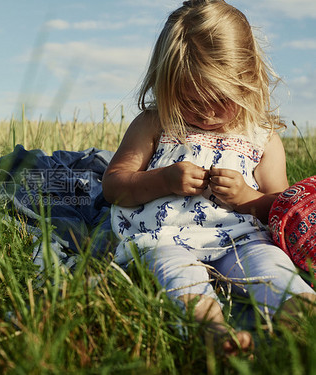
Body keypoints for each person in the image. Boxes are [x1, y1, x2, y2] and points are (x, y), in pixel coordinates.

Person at [101, 0, 316, 355]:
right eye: (189, 100)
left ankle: (298, 319)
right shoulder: (156, 124)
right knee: (178, 276)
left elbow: (281, 209)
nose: (206, 112)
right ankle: (213, 333)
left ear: (247, 80)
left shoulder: (261, 137)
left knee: (274, 268)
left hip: (243, 240)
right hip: (166, 239)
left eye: (219, 99)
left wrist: (247, 196)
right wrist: (164, 180)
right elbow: (114, 186)